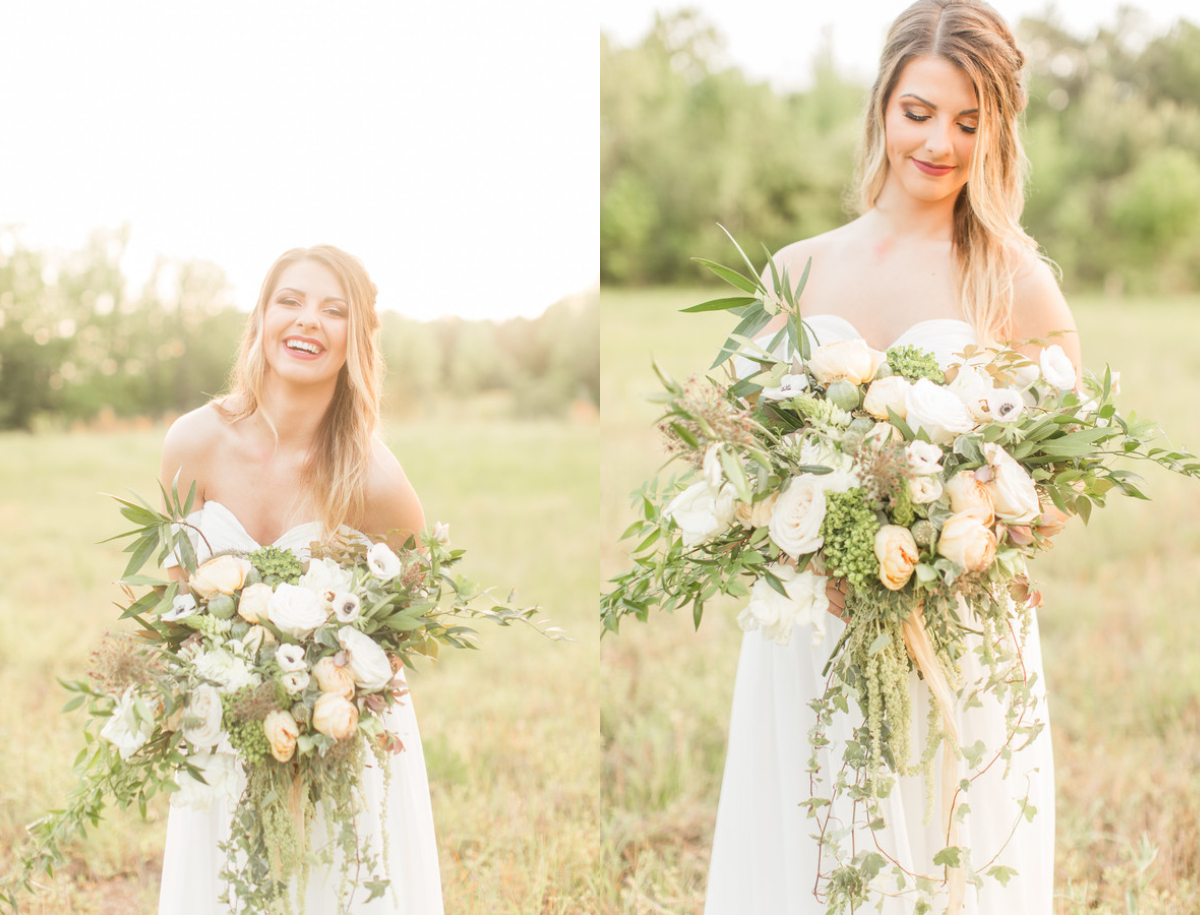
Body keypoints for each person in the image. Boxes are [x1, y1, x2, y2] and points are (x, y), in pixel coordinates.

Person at [704, 2, 1074, 913]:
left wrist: (961, 526)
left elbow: (1060, 481)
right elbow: (726, 442)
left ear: (995, 131)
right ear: (882, 106)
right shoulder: (794, 269)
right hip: (815, 627)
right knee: (816, 841)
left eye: (967, 121)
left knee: (949, 847)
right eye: (920, 111)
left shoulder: (1013, 276)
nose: (939, 142)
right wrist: (801, 538)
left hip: (955, 628)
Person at [157, 245, 444, 914]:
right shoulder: (191, 442)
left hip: (331, 744)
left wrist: (326, 689)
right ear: (260, 319)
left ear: (354, 340)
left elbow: (417, 601)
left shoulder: (371, 476)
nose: (307, 320)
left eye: (332, 309)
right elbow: (175, 599)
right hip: (223, 731)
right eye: (290, 300)